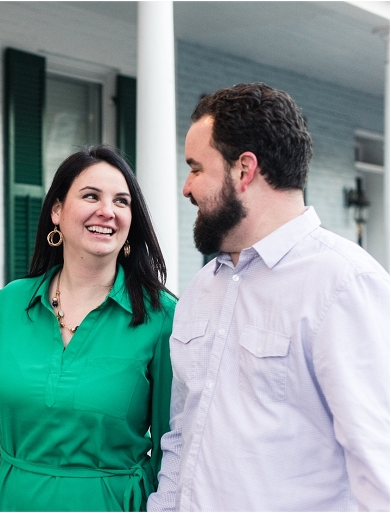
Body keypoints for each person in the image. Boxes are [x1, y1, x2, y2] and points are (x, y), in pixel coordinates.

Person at [147, 83, 390, 511]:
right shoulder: (202, 289)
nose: (186, 188)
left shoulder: (344, 284)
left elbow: (379, 465)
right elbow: (182, 436)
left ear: (245, 170)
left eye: (196, 168)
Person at [0, 145, 176, 512]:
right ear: (57, 210)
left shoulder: (161, 316)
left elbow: (174, 446)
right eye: (91, 196)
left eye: (121, 201)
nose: (107, 211)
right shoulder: (11, 304)